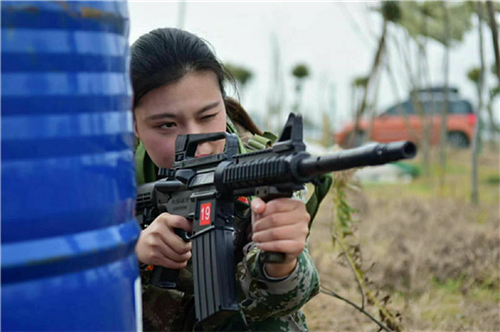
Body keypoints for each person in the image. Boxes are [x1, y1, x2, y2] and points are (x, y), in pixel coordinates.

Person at [131, 27, 331, 331]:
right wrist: (130, 252)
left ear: (224, 104)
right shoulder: (111, 171)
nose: (196, 140)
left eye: (208, 116)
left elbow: (280, 303)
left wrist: (281, 261)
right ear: (133, 124)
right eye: (167, 125)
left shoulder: (263, 168)